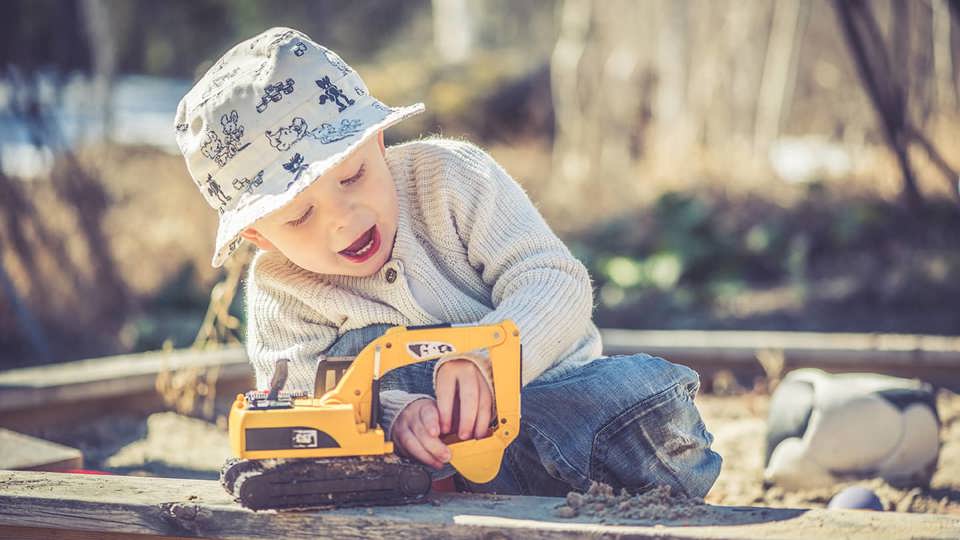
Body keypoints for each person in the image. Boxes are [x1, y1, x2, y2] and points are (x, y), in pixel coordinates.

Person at [174, 27, 721, 497]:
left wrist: (489, 361)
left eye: (353, 176)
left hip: (543, 402)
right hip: (406, 454)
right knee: (331, 383)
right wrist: (392, 415)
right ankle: (435, 479)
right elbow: (299, 402)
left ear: (379, 141)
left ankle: (513, 476)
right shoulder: (281, 291)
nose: (343, 219)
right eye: (299, 218)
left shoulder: (453, 179)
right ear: (258, 236)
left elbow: (555, 280)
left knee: (657, 409)